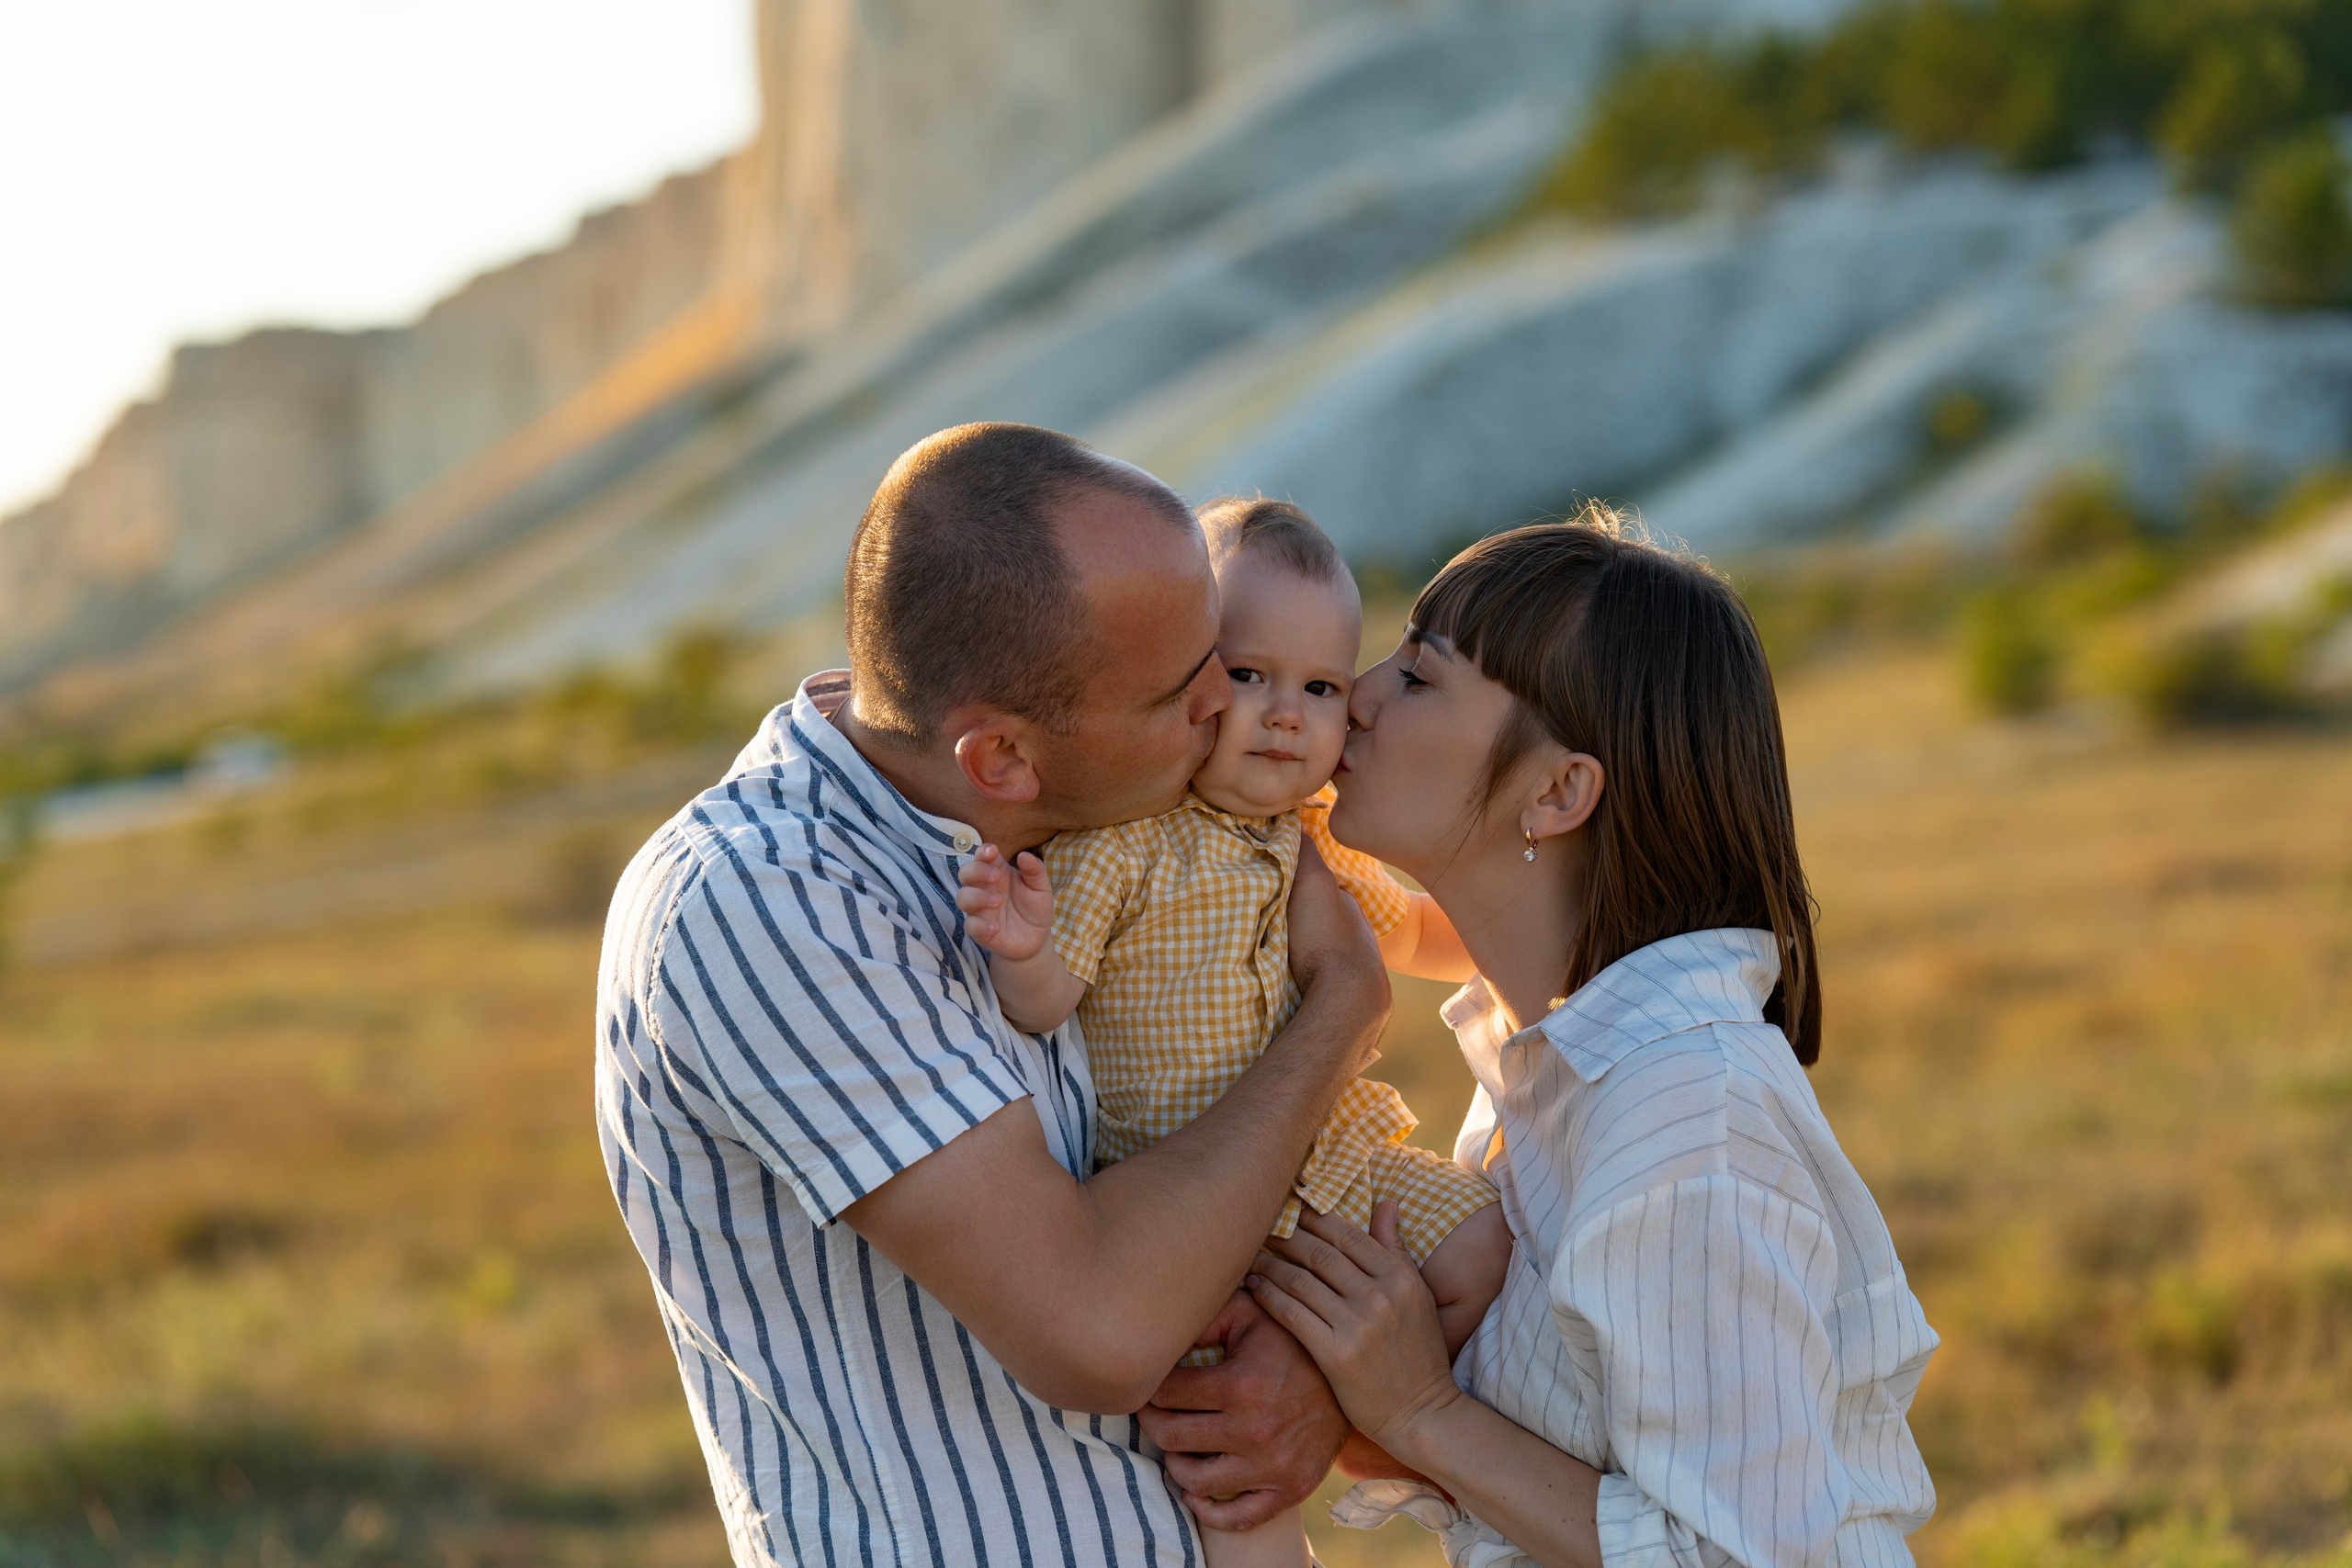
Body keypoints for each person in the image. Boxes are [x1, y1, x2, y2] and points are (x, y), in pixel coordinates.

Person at [593, 424, 1390, 1567]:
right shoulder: (765, 901)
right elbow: (1099, 1329)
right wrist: (1338, 1018)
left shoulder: (1095, 826)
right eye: (1184, 687)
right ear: (1001, 759)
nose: (1231, 699)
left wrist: (1311, 1377)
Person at [1244, 513, 1940, 1568]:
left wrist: (1424, 1410)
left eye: (1418, 678)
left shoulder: (1679, 1122)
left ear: (1557, 792)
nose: (1359, 695)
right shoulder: (1548, 1062)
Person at [954, 497, 1512, 1568]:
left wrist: (1515, 929)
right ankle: (1313, 1432)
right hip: (1192, 1210)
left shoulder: (1314, 847)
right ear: (1184, 681)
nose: (1284, 715)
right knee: (1238, 1502)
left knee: (1485, 1244)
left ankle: (1374, 1427)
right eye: (1248, 676)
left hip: (1337, 1169)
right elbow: (1044, 1002)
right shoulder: (1125, 842)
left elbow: (1425, 937)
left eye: (1317, 688)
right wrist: (1019, 947)